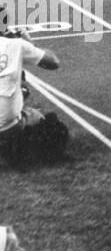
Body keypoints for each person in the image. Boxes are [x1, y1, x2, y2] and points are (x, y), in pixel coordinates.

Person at [0, 25, 65, 169]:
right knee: (43, 120)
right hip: (6, 126)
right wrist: (30, 42)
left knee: (23, 91)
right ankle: (16, 146)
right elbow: (53, 62)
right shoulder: (16, 45)